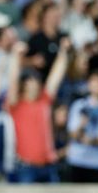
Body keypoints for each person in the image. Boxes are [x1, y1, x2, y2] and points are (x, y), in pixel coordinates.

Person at [6, 39, 68, 183]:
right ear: (24, 85)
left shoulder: (44, 100)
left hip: (49, 165)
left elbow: (56, 76)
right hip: (27, 167)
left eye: (36, 80)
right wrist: (16, 56)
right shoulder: (16, 105)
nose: (34, 84)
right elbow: (13, 81)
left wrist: (63, 52)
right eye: (30, 81)